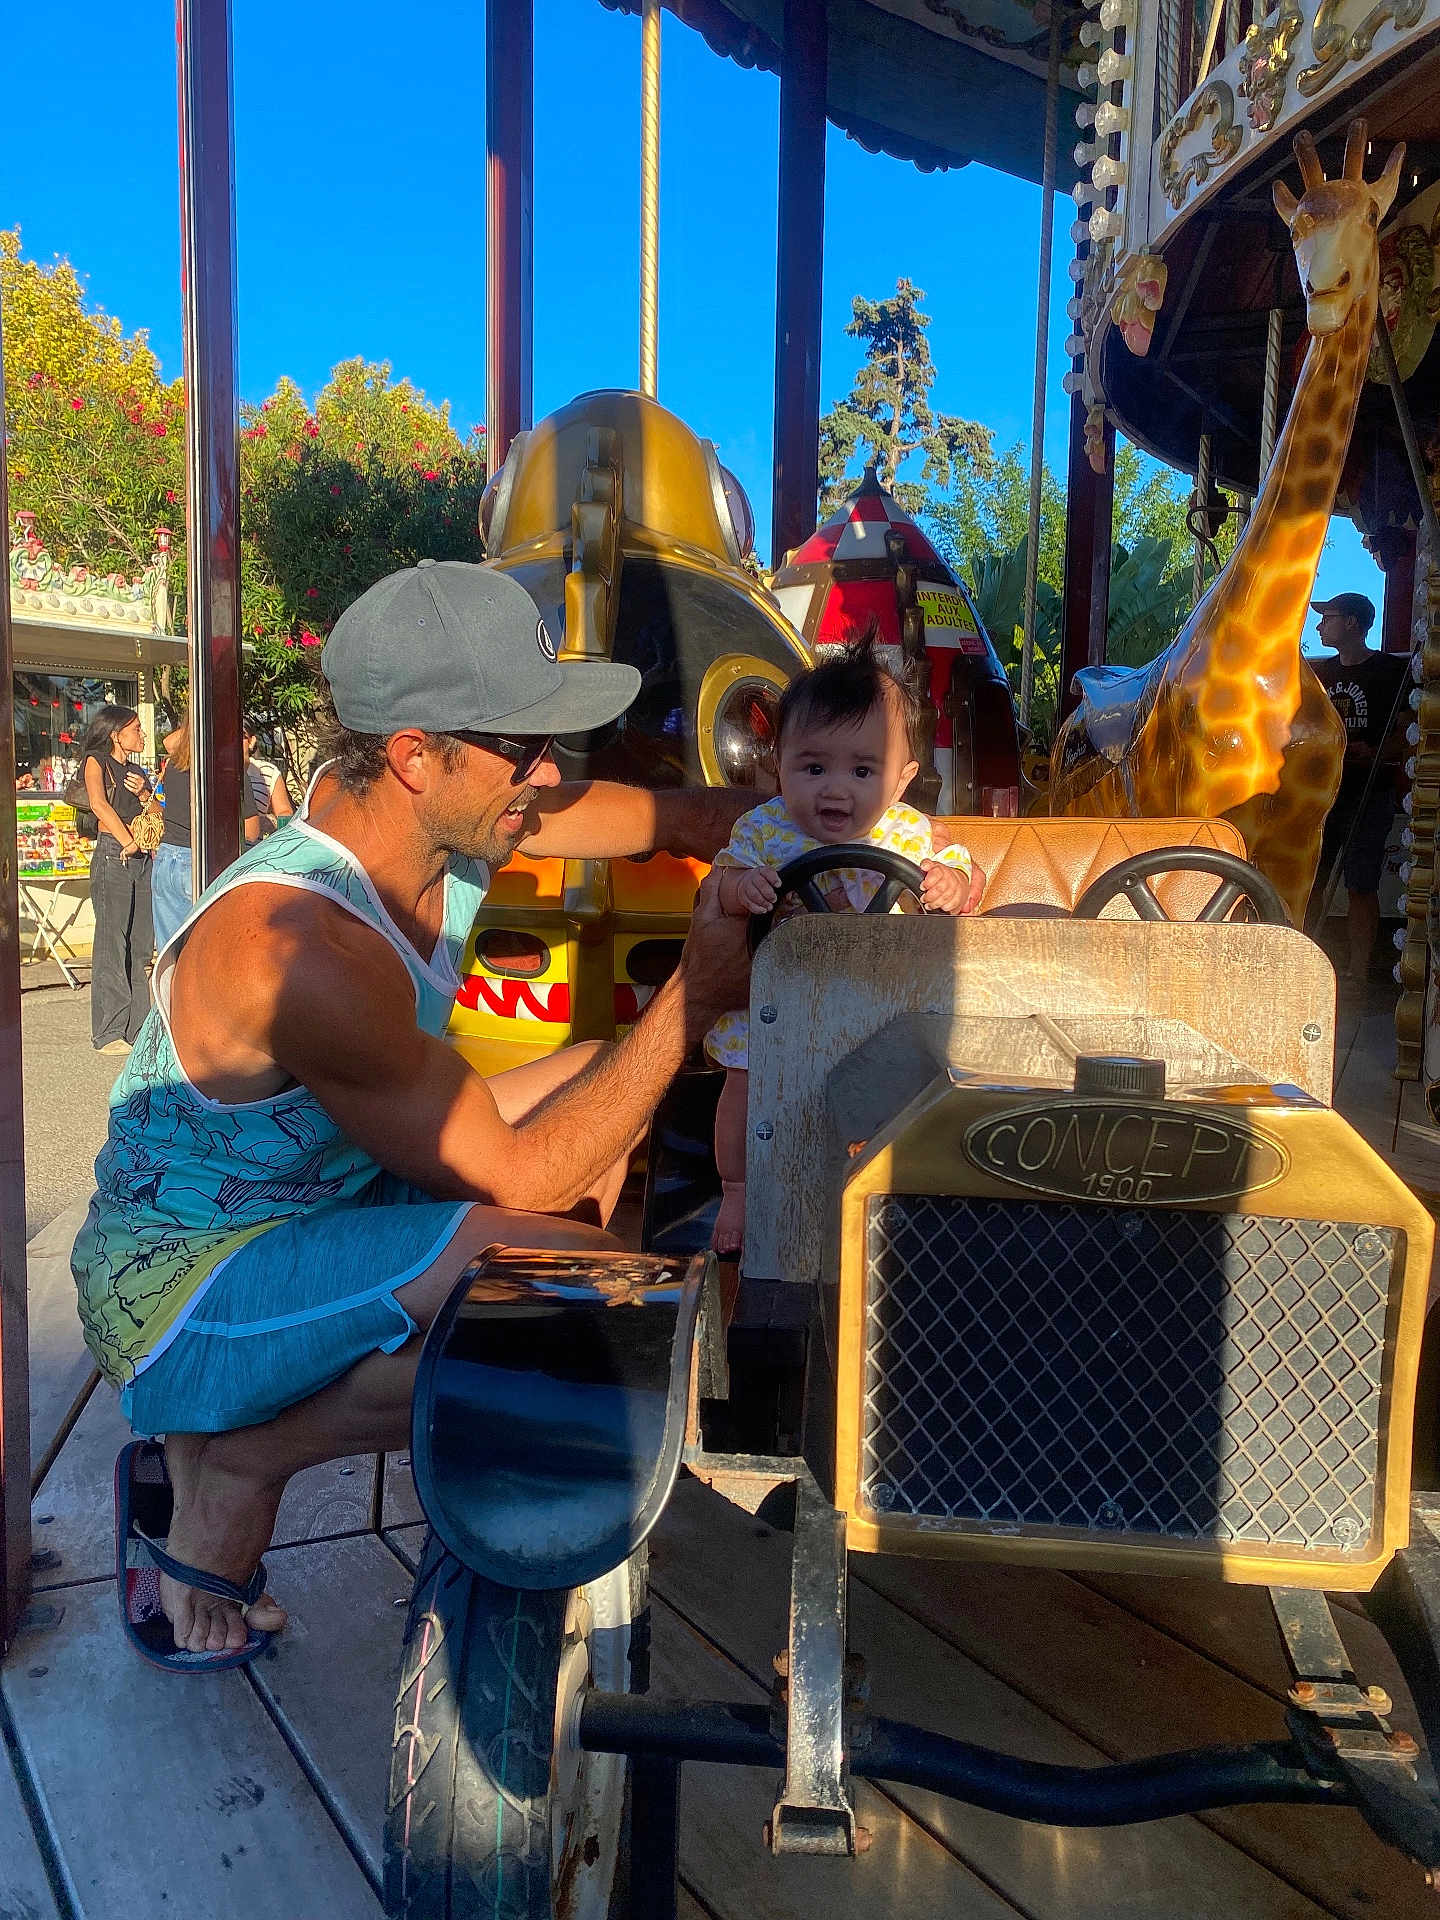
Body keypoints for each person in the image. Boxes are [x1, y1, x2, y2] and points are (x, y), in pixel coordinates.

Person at [72, 561, 756, 1667]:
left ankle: (245, 1438)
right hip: (179, 1288)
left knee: (590, 1071)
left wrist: (799, 817)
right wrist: (693, 1001)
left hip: (307, 1194)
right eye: (527, 747)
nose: (550, 771)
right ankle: (242, 1456)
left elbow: (653, 814)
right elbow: (520, 1182)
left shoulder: (443, 820)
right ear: (414, 755)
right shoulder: (300, 946)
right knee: (562, 1286)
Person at [705, 631, 976, 1254]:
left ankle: (890, 1190)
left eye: (862, 770)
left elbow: (968, 876)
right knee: (743, 1082)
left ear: (903, 778)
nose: (836, 788)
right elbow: (719, 881)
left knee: (913, 1083)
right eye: (814, 767)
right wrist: (739, 886)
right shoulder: (766, 829)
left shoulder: (910, 833)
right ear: (779, 763)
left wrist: (955, 884)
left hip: (878, 1005)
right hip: (776, 1002)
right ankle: (739, 1190)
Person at [1311, 592, 1409, 981]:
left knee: (1360, 883)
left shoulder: (1388, 671)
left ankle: (1357, 972)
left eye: (1328, 618)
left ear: (1352, 623)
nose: (1320, 625)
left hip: (1369, 793)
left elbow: (1405, 732)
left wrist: (1374, 752)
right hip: (1323, 794)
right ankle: (1307, 961)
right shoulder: (1320, 674)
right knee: (1312, 880)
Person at [78, 705, 162, 1054]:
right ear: (116, 733)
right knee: (113, 942)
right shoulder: (96, 761)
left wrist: (145, 792)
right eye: (136, 729)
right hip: (114, 851)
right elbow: (98, 803)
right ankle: (108, 1031)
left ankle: (139, 1026)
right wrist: (126, 840)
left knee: (140, 943)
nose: (142, 734)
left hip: (141, 857)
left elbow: (159, 811)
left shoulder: (136, 770)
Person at [152, 716, 262, 954]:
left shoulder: (173, 765)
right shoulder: (226, 769)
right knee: (206, 954)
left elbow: (171, 741)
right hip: (202, 859)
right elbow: (251, 831)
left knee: (170, 956)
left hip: (166, 856)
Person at [244, 722, 295, 834]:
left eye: (242, 736)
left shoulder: (267, 772)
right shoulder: (214, 772)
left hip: (257, 848)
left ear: (252, 741)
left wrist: (270, 822)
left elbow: (284, 814)